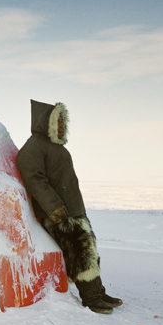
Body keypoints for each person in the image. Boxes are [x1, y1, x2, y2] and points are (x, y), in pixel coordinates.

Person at [16, 99, 122, 314]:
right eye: (59, 121)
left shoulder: (55, 148)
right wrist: (55, 209)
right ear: (46, 122)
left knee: (89, 249)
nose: (63, 126)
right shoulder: (33, 148)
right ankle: (91, 298)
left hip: (73, 210)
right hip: (59, 213)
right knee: (79, 252)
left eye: (64, 121)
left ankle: (98, 291)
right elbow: (35, 180)